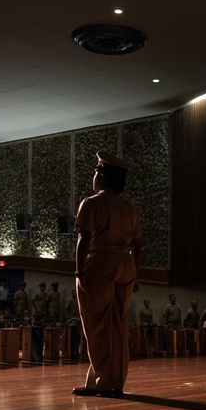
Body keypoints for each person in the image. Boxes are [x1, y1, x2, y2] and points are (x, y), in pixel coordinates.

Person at [72, 150, 141, 397]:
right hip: (126, 263)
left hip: (100, 262)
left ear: (102, 176)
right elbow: (138, 244)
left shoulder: (91, 203)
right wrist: (137, 274)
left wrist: (80, 272)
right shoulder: (130, 208)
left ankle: (104, 381)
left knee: (96, 324)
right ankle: (111, 381)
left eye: (96, 171)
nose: (94, 175)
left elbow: (84, 237)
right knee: (117, 324)